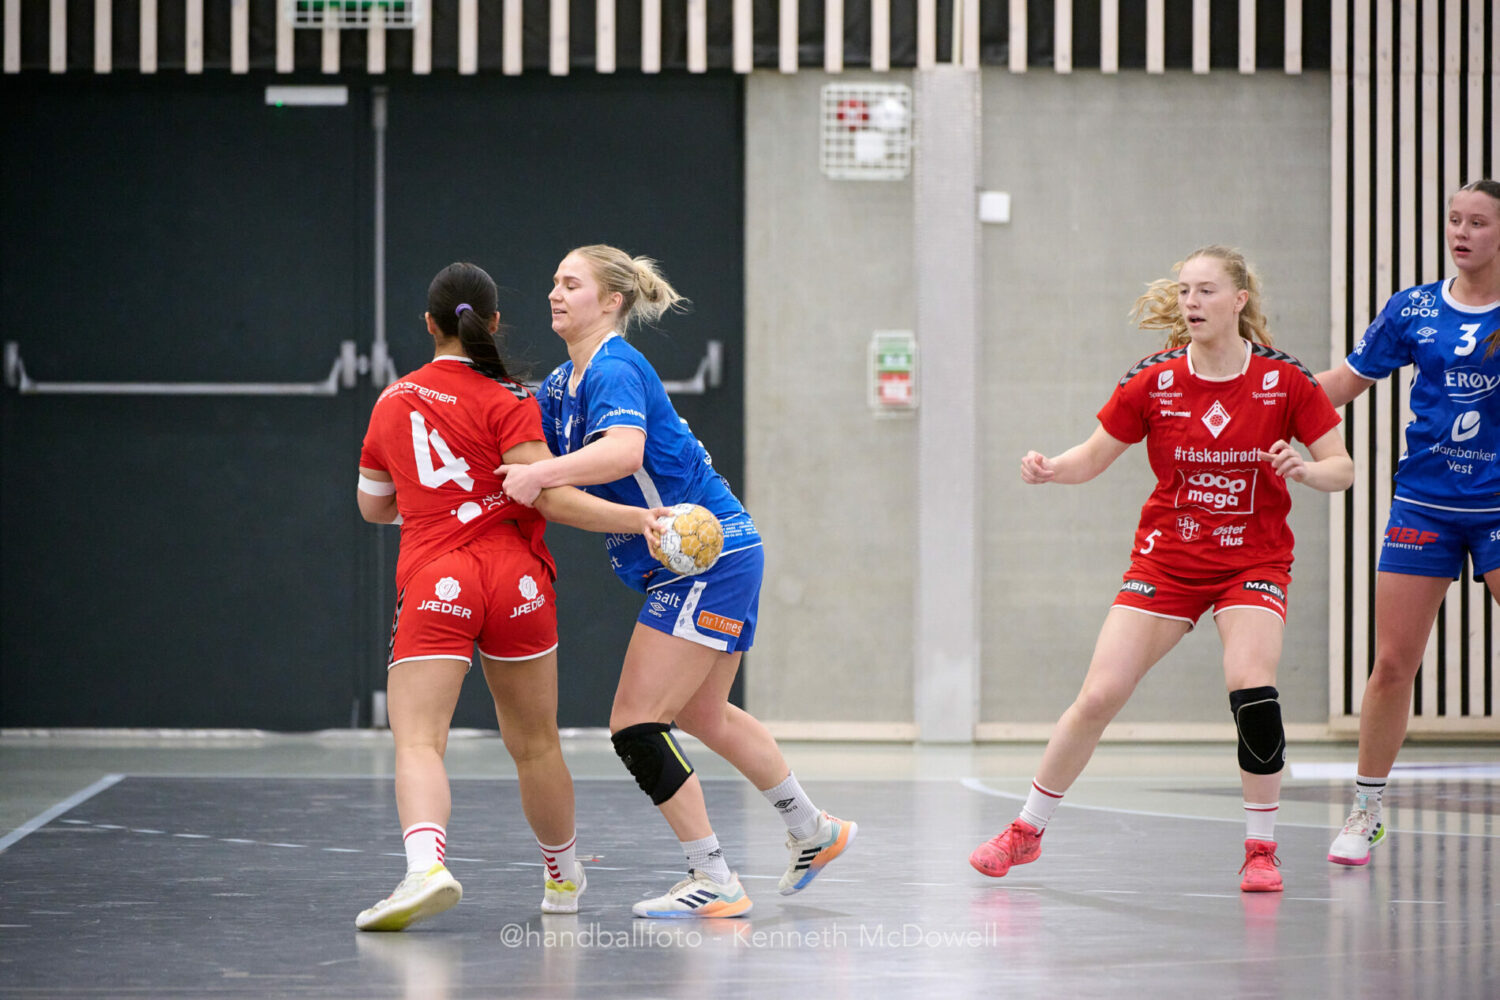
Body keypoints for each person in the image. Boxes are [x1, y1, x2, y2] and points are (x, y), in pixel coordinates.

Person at [968, 245, 1353, 893]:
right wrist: (1052, 468)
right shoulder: (1155, 380)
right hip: (1168, 561)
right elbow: (1093, 456)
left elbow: (1341, 468)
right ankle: (1026, 830)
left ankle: (1261, 849)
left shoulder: (1285, 381)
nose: (1191, 302)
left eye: (1206, 290)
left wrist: (1306, 470)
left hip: (1251, 561)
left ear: (1239, 300)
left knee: (1252, 686)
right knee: (1099, 695)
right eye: (1183, 291)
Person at [498, 244, 856, 918]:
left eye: (571, 284)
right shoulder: (562, 385)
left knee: (635, 723)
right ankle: (813, 828)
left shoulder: (614, 366)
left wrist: (540, 473)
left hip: (706, 558)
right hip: (711, 555)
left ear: (611, 302)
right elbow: (545, 478)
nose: (554, 293)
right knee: (702, 713)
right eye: (553, 282)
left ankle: (713, 876)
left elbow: (621, 452)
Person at [353, 262, 665, 931]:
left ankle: (426, 869)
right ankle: (562, 875)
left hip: (437, 576)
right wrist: (641, 519)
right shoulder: (514, 398)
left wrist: (432, 504)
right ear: (493, 323)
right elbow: (551, 496)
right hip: (516, 581)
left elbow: (373, 506)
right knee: (536, 744)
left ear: (429, 324)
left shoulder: (392, 401)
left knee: (419, 740)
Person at [1316, 179, 1500, 867]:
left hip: (1497, 508)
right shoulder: (1414, 308)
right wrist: (1265, 399)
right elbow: (1344, 382)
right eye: (1454, 219)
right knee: (1393, 664)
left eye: (1477, 222)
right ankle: (1365, 811)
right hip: (1423, 506)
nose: (1461, 233)